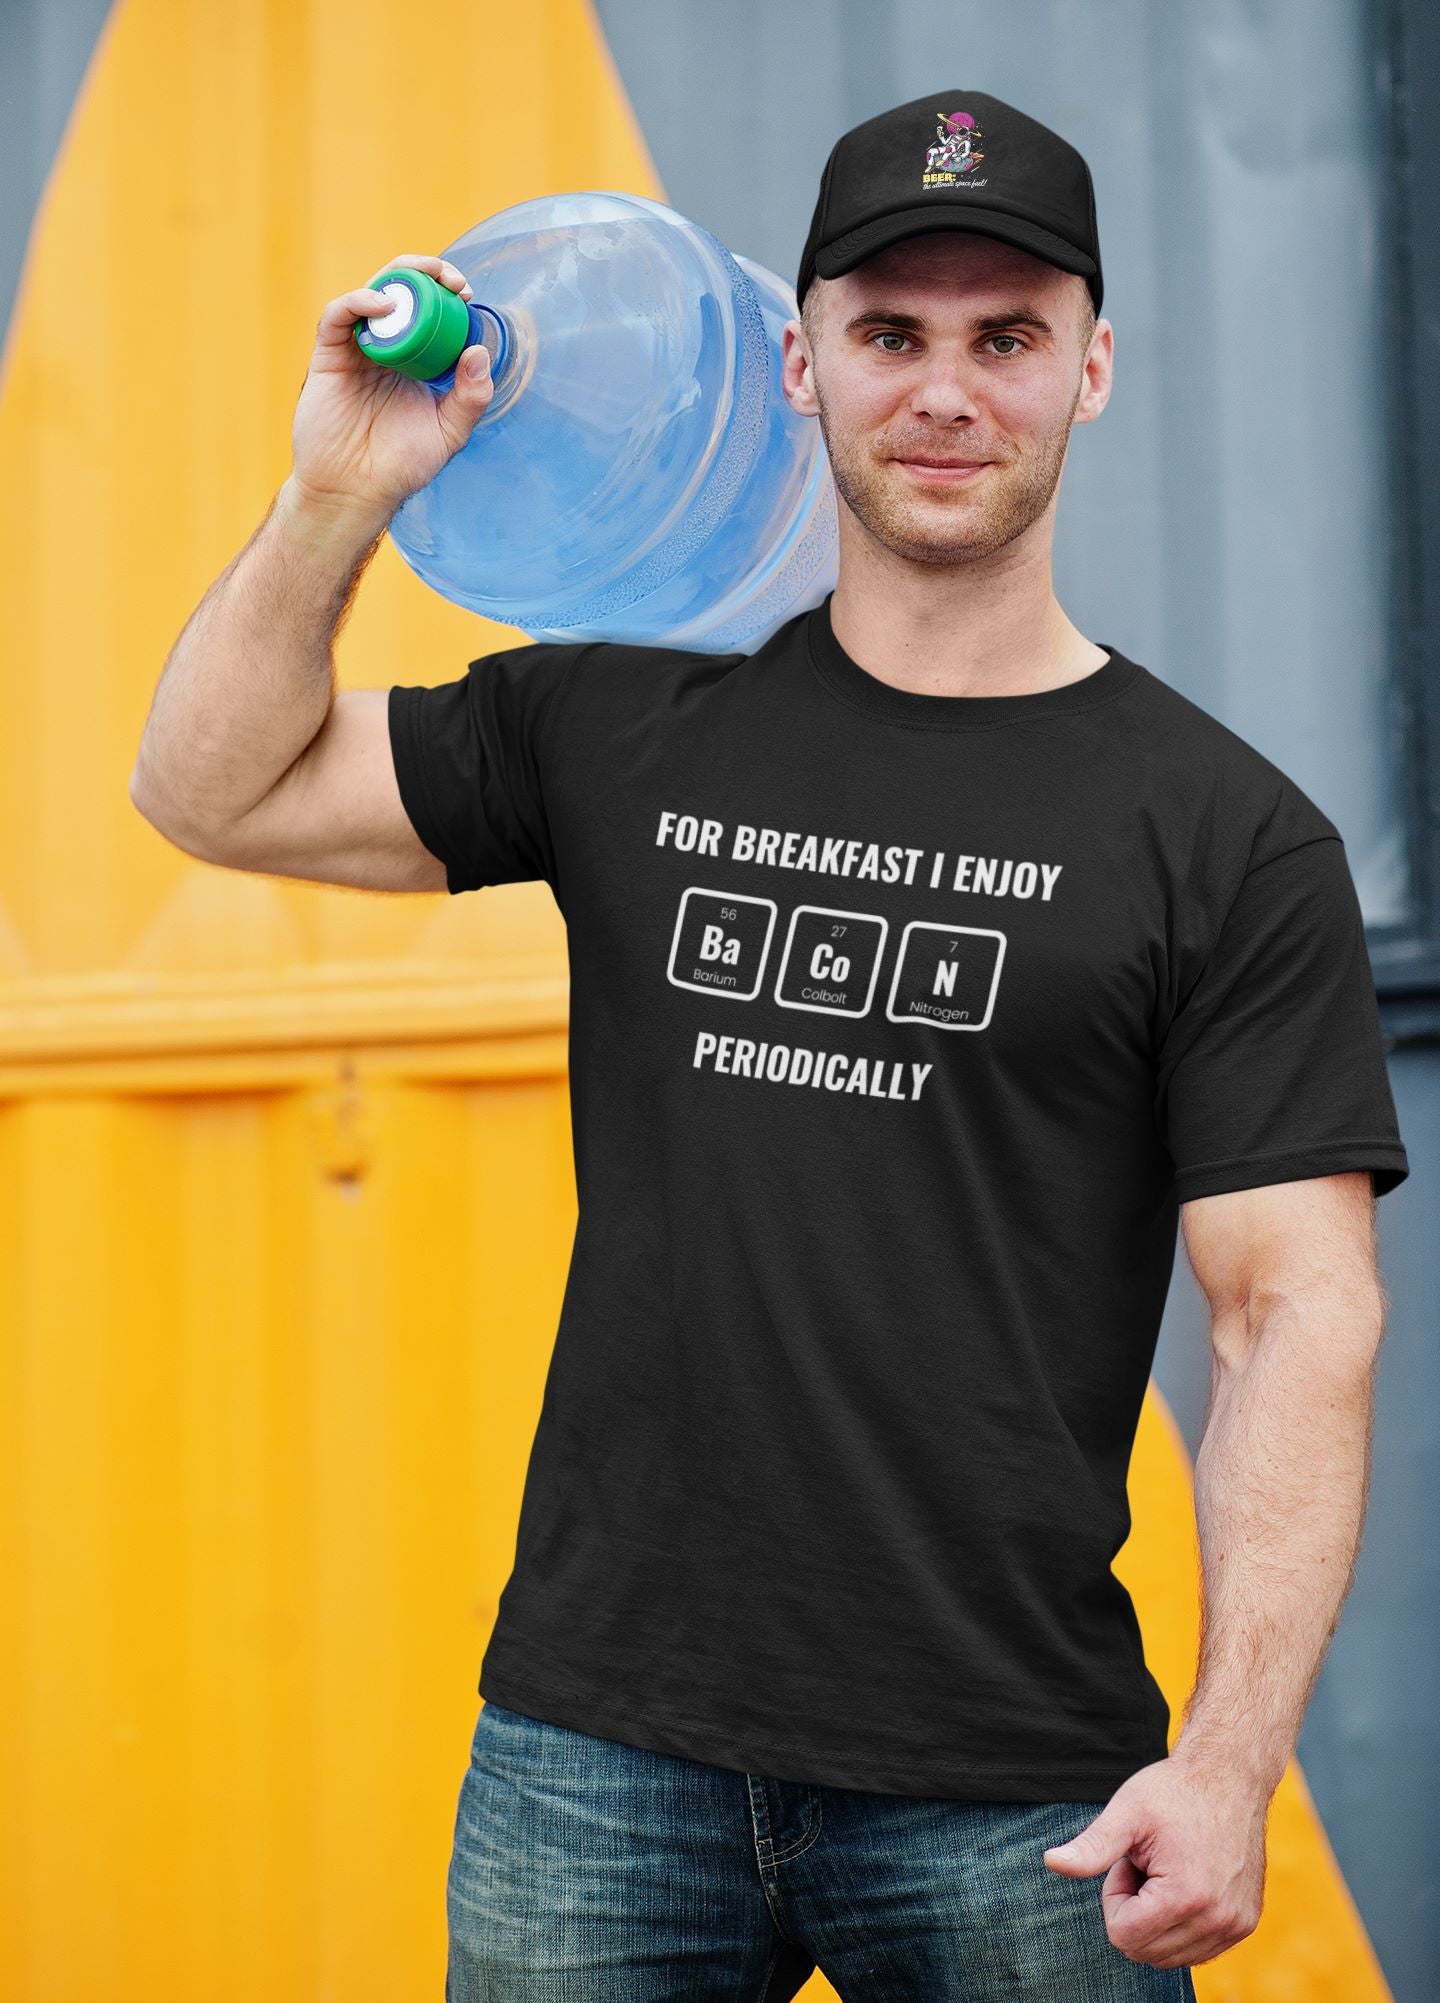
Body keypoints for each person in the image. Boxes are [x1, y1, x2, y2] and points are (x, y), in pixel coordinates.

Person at [130, 87, 1408, 2003]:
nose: (946, 390)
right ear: (797, 358)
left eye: (1007, 338)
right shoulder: (617, 723)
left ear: (1094, 368)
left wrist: (1227, 1766)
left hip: (1015, 1789)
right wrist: (343, 493)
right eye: (889, 333)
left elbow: (1295, 1315)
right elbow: (208, 790)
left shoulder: (1223, 837)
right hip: (598, 1754)